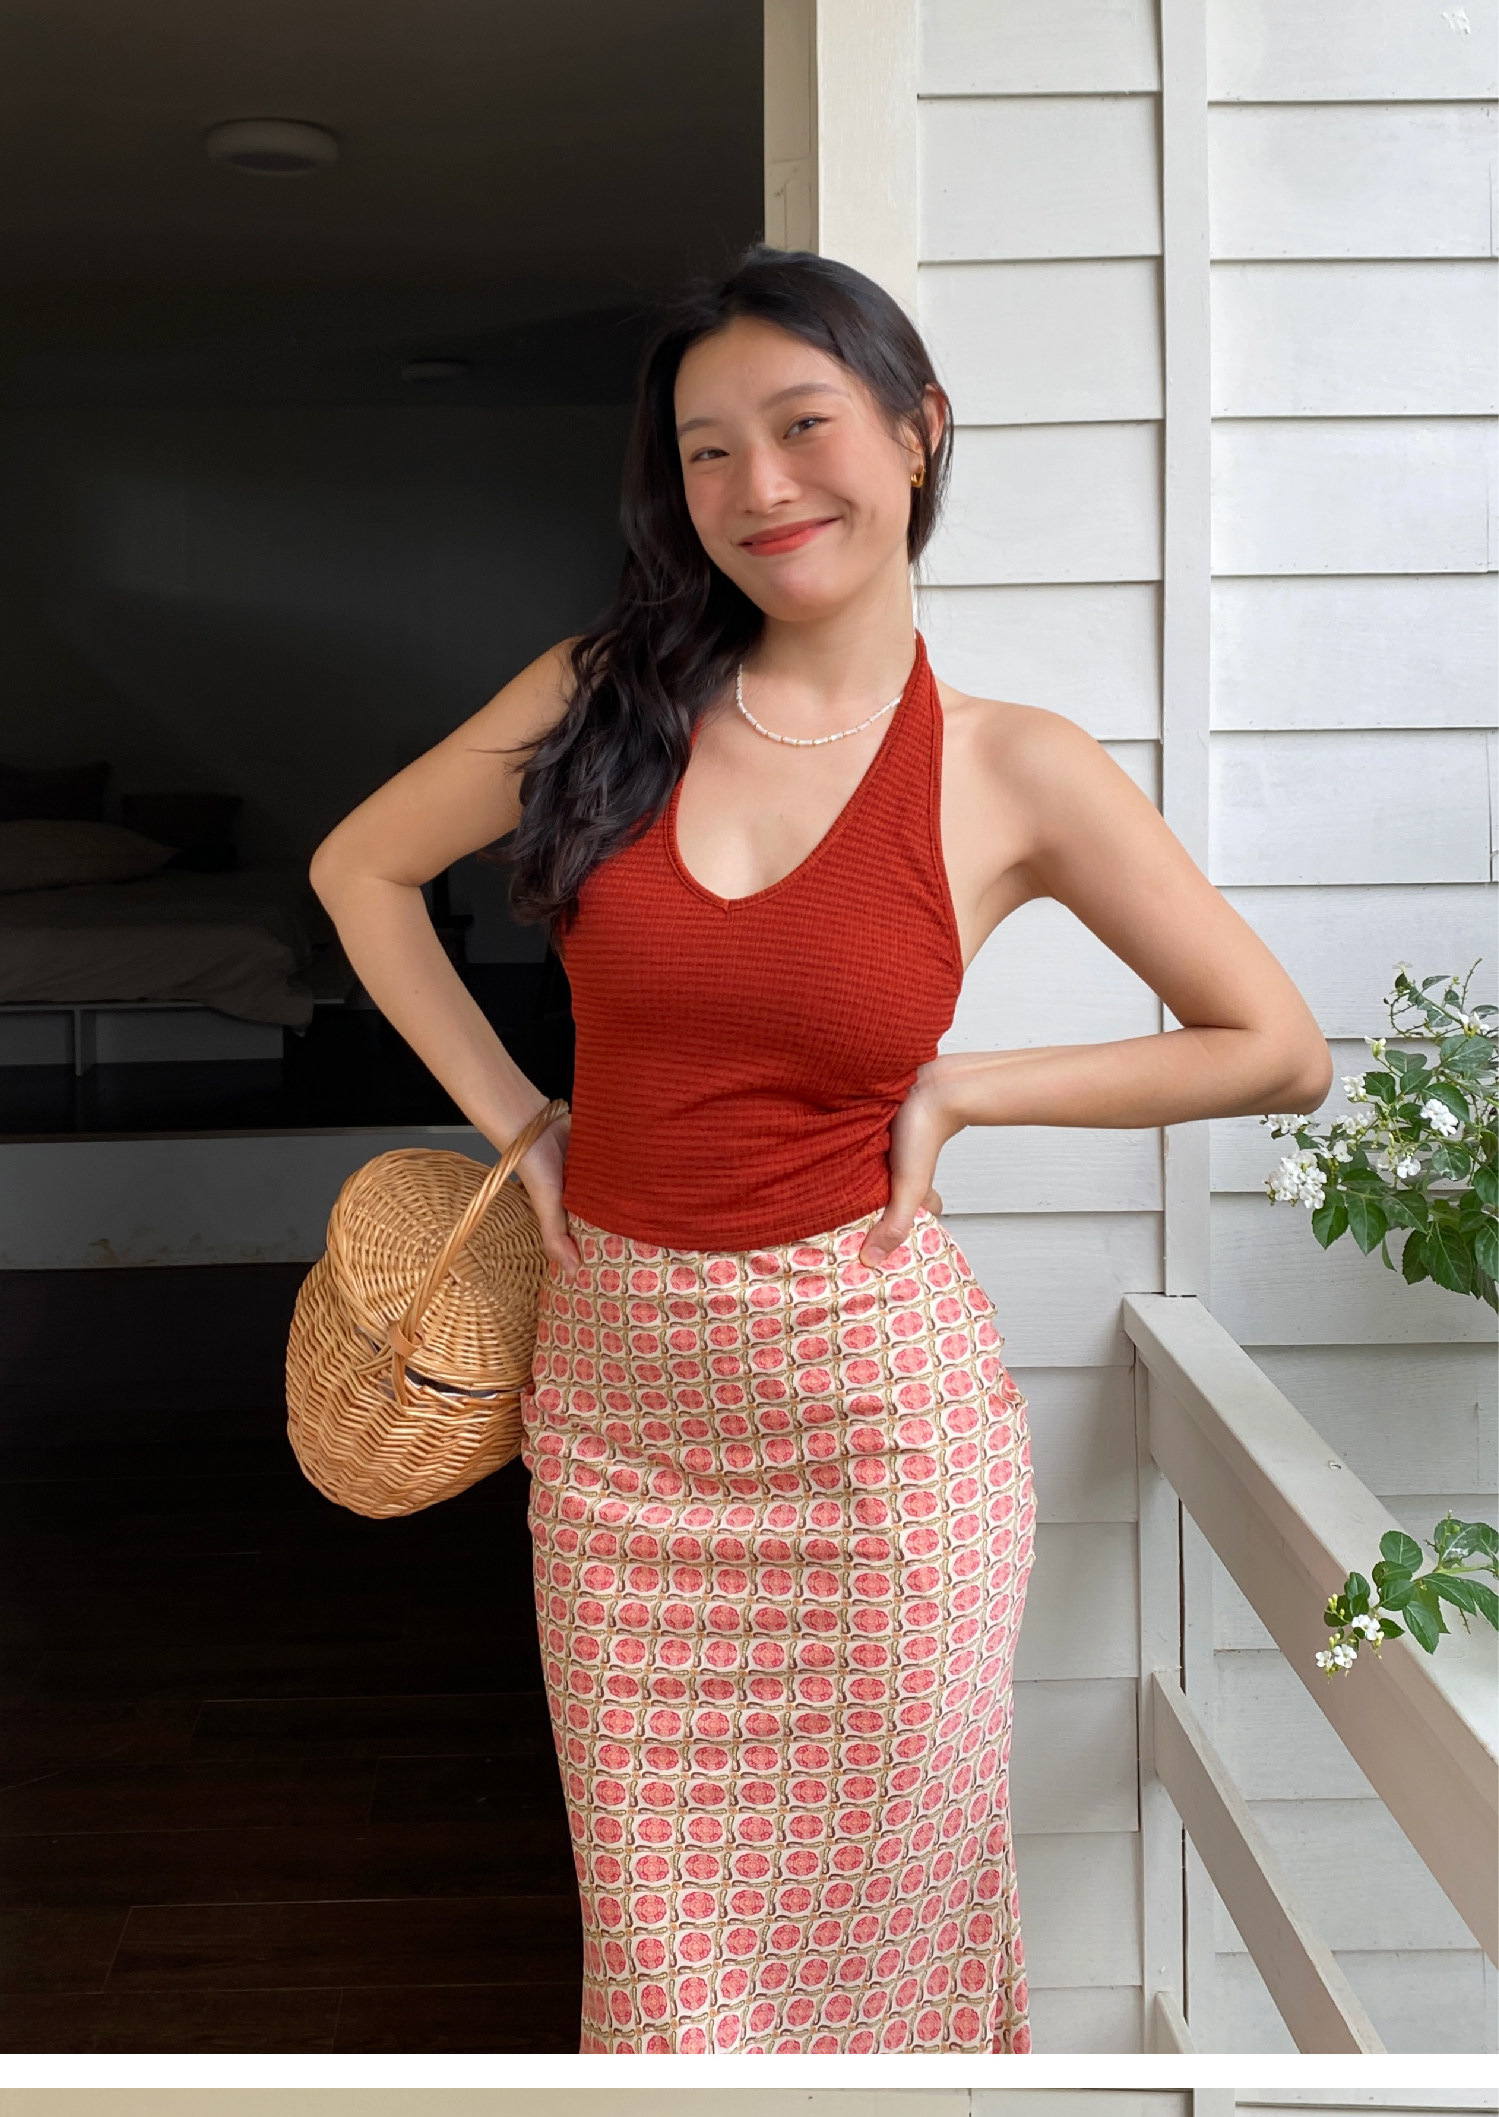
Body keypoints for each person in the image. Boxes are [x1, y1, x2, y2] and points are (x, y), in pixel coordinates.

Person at [309, 243, 1333, 2054]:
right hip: (620, 1434)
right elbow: (360, 869)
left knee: (892, 1949)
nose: (758, 485)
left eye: (802, 426)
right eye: (707, 450)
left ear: (919, 432)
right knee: (666, 1971)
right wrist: (522, 1119)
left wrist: (964, 1092)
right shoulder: (599, 696)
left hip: (877, 1447)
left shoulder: (1012, 768)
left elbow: (1278, 1045)